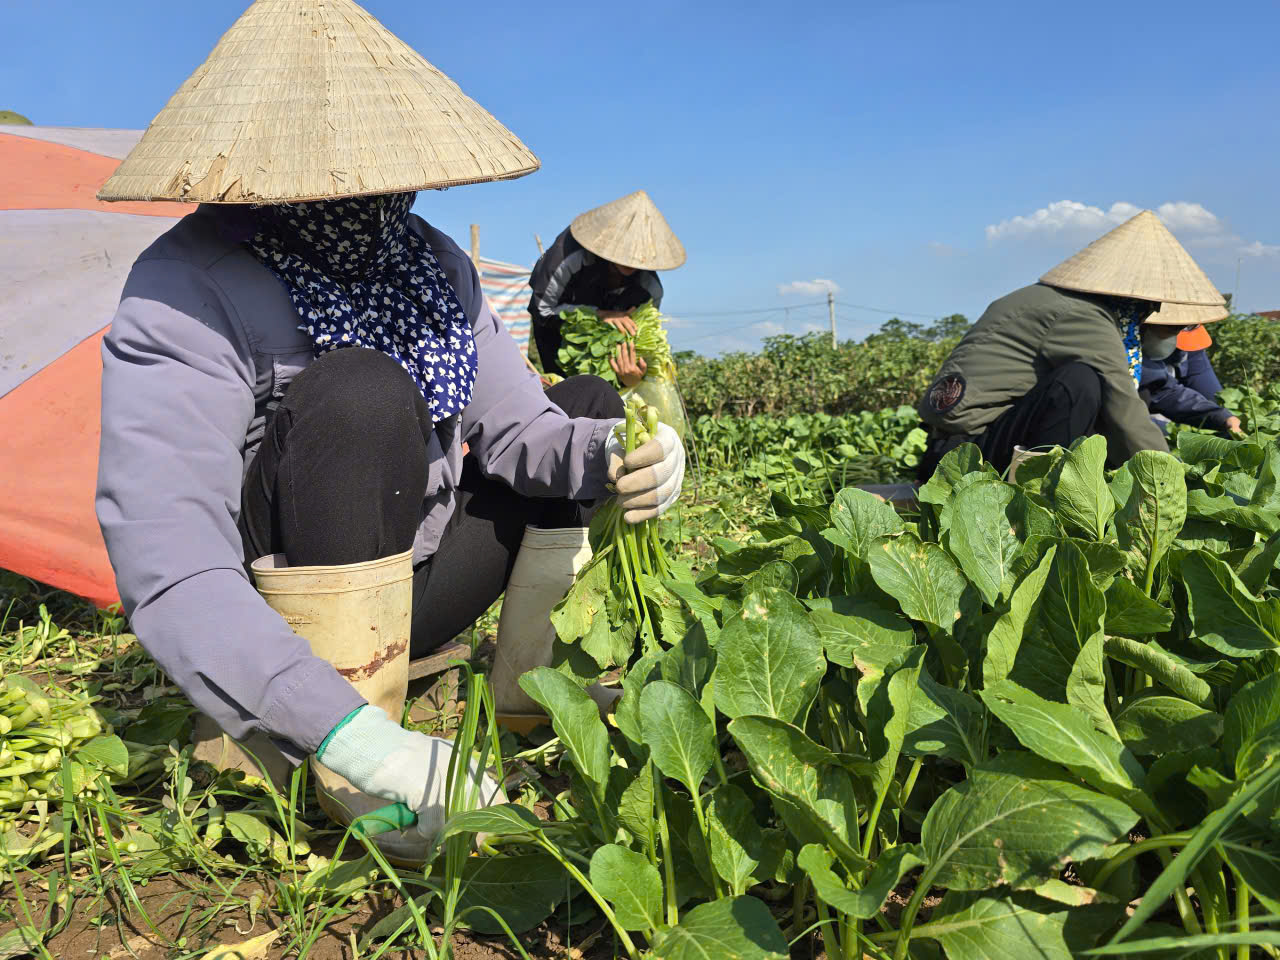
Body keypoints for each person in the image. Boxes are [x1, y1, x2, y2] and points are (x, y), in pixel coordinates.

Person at [93, 0, 685, 860]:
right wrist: (361, 743)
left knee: (588, 400)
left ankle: (526, 686)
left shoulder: (432, 263)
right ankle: (343, 744)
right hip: (291, 612)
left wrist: (618, 452)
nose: (366, 197)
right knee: (363, 392)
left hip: (417, 580)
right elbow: (171, 563)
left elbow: (522, 430)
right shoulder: (185, 287)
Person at [917, 210, 1227, 479]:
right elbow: (1123, 405)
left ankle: (1047, 479)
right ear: (1133, 299)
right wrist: (1169, 477)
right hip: (964, 458)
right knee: (1081, 382)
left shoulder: (1052, 301)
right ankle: (1033, 489)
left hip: (958, 446)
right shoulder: (1082, 316)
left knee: (1089, 389)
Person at [529, 190, 685, 387]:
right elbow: (542, 310)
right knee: (560, 394)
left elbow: (640, 343)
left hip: (610, 366)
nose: (631, 261)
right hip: (554, 338)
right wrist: (598, 314)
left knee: (613, 397)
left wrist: (633, 378)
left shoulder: (649, 290)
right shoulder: (567, 256)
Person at [1139, 313, 1242, 435]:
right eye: (1173, 330)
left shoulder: (1189, 348)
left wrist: (1223, 417)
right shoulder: (1128, 353)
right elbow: (1128, 417)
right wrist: (1174, 433)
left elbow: (1163, 392)